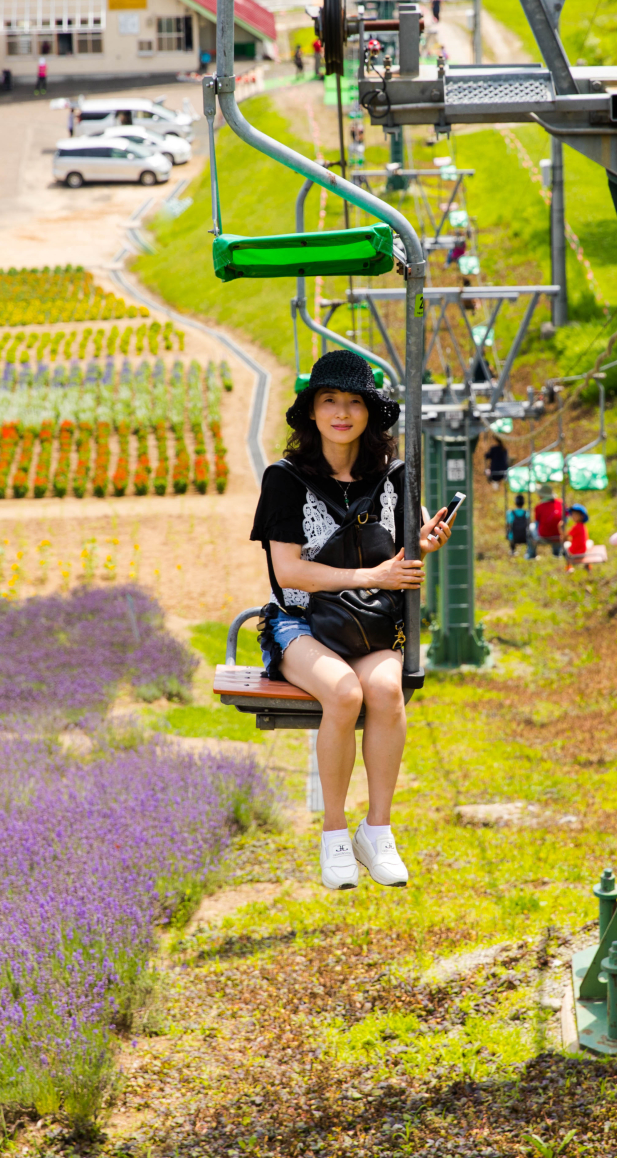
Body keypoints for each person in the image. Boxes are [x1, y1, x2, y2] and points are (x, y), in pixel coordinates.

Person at [250, 350, 457, 891]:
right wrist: (376, 577)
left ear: (369, 413)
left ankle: (378, 830)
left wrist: (425, 544)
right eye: (329, 401)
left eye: (353, 402)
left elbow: (400, 561)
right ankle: (334, 833)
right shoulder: (285, 480)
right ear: (312, 412)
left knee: (386, 690)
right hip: (303, 624)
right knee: (343, 694)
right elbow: (290, 572)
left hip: (368, 624)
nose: (342, 412)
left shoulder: (394, 476)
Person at [531, 485, 565, 560]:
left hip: (544, 536)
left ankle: (531, 553)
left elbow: (537, 521)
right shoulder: (561, 503)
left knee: (531, 527)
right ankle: (557, 553)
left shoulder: (539, 507)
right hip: (559, 535)